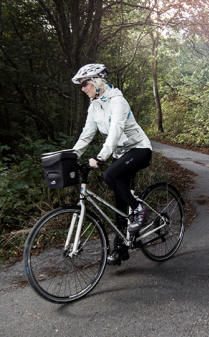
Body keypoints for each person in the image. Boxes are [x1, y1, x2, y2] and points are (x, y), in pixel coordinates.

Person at [71, 63, 153, 265]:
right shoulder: (94, 106)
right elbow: (86, 135)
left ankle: (139, 209)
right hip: (120, 154)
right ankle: (122, 248)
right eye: (81, 85)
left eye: (85, 84)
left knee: (109, 175)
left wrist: (101, 157)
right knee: (118, 203)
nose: (83, 89)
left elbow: (116, 131)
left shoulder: (118, 101)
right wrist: (71, 157)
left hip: (139, 149)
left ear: (97, 82)